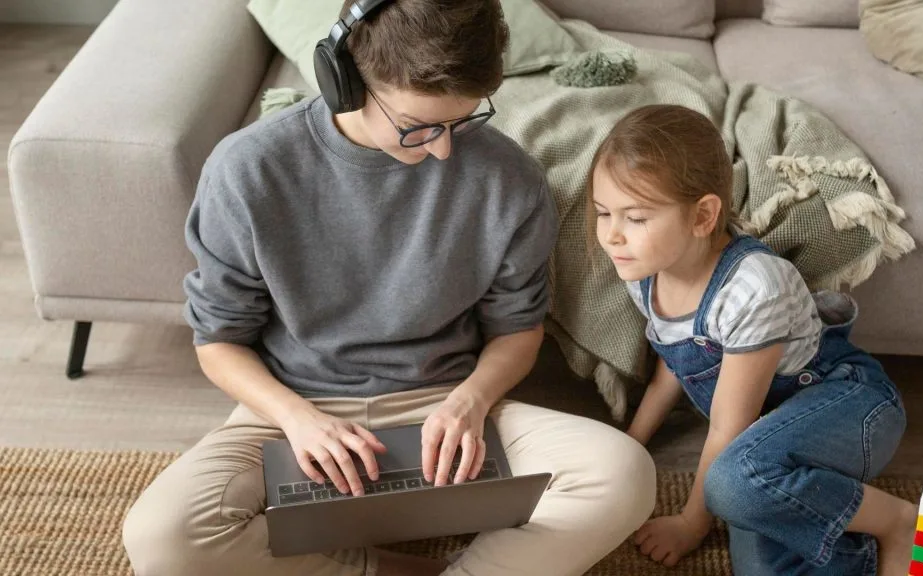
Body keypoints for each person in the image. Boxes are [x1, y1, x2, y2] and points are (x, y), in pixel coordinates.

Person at [121, 1, 655, 574]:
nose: (443, 149)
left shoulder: (510, 178)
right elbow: (218, 341)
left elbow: (517, 330)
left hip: (446, 401)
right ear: (346, 81)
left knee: (624, 475)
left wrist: (470, 401)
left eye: (463, 120)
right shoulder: (248, 169)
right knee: (161, 537)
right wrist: (299, 419)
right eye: (417, 127)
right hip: (292, 408)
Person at [585, 104, 923, 575]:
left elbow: (729, 429)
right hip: (768, 445)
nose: (612, 235)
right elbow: (674, 364)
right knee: (762, 563)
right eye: (603, 213)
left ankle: (900, 520)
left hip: (848, 408)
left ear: (703, 215)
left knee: (730, 486)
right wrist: (630, 445)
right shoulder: (644, 270)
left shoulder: (753, 290)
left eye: (635, 217)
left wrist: (692, 523)